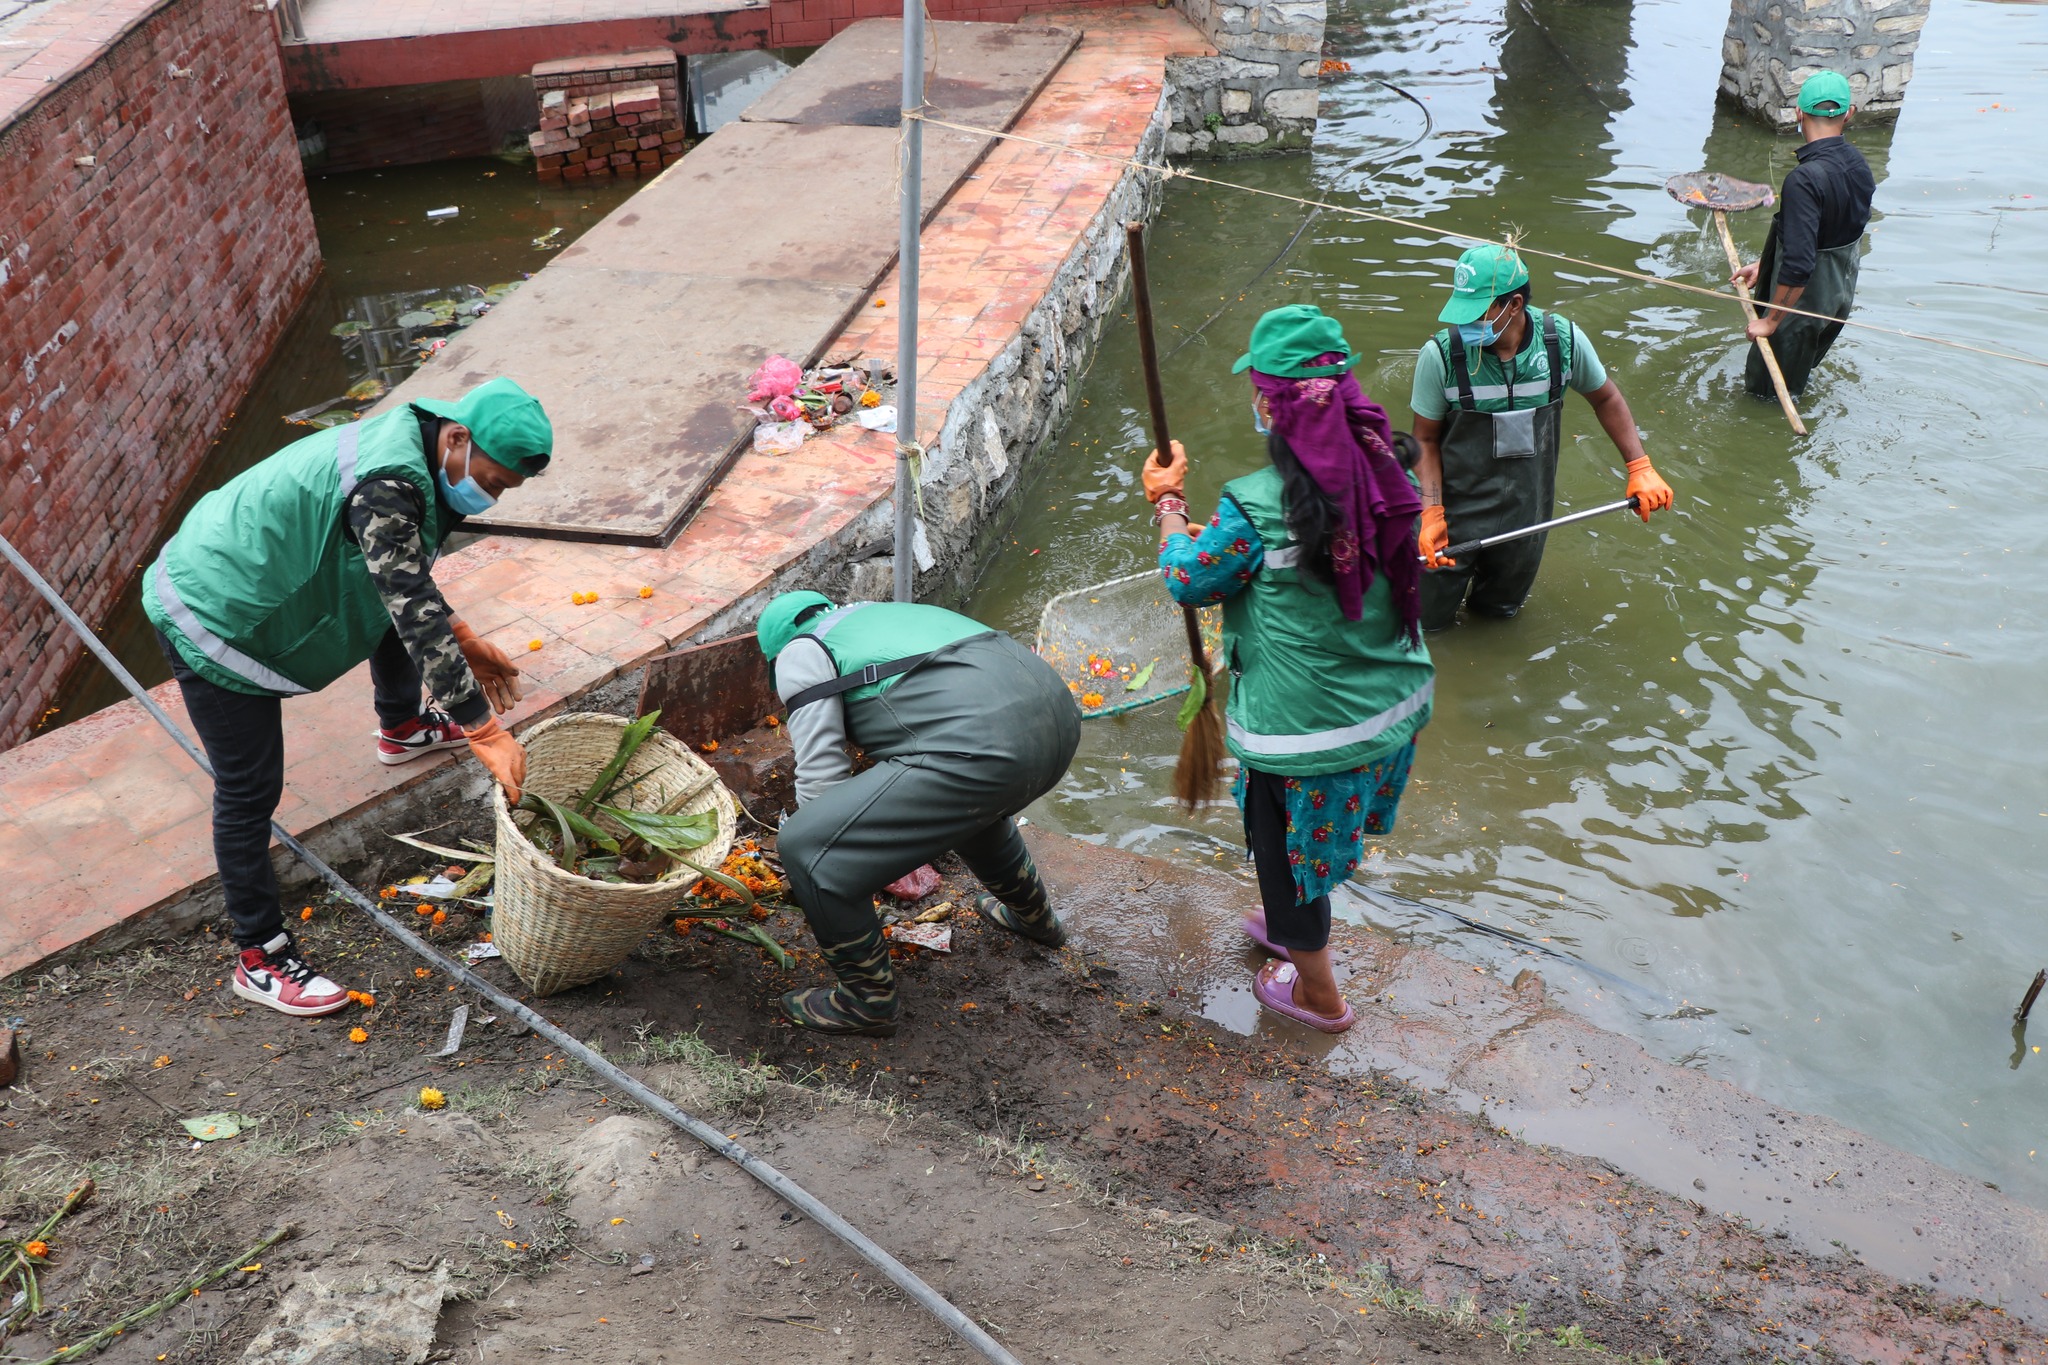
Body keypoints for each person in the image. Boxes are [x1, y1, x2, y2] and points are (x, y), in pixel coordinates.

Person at [145, 378, 547, 1017]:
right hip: (214, 604)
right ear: (459, 436)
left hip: (245, 562)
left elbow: (398, 574)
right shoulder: (390, 483)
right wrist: (482, 726)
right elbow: (409, 604)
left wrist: (459, 635)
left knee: (383, 605)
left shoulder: (421, 447)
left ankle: (403, 725)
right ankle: (260, 956)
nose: (490, 496)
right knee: (249, 789)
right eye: (494, 482)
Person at [1146, 304, 1435, 1034]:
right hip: (1393, 709)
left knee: (1286, 865)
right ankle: (1292, 928)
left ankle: (1317, 994)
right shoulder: (1392, 465)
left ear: (1271, 405)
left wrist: (1169, 505)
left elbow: (1188, 578)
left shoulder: (1252, 505)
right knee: (1311, 853)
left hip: (1304, 737)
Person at [757, 592, 1081, 1036]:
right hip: (1058, 721)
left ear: (775, 653)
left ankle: (864, 1004)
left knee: (805, 847)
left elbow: (820, 778)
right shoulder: (879, 615)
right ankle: (1038, 920)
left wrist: (833, 860)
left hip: (984, 746)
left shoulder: (801, 651)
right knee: (967, 802)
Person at [1410, 243, 1674, 631]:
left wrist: (1640, 466)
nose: (1465, 325)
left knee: (1499, 617)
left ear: (1513, 305)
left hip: (1527, 514)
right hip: (1454, 515)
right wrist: (1430, 511)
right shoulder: (1441, 357)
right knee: (1427, 624)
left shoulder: (1561, 344)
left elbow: (1607, 397)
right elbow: (1425, 440)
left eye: (1477, 314)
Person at [1731, 71, 1875, 397]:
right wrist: (1764, 265)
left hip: (1798, 310)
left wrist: (1770, 321)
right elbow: (1827, 236)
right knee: (1797, 378)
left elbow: (1799, 265)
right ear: (1848, 113)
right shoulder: (1859, 166)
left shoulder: (1804, 180)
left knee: (1766, 395)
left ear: (1799, 113)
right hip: (1836, 300)